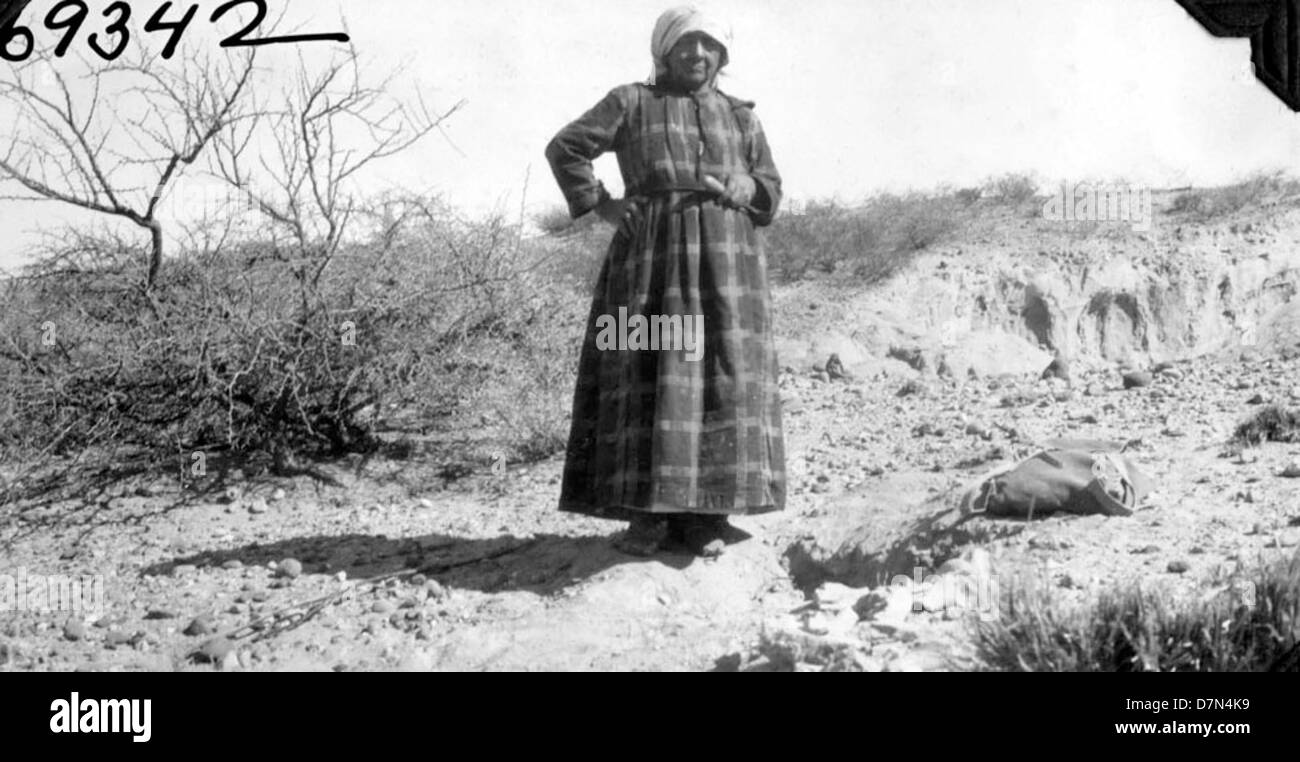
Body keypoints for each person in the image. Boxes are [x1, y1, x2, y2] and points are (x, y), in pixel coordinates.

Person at [545, 5, 786, 556]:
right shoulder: (632, 102)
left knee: (724, 377)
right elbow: (567, 147)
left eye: (707, 45)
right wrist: (601, 204)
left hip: (730, 265)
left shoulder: (743, 117)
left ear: (722, 54)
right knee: (649, 371)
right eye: (685, 44)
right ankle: (646, 519)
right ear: (664, 51)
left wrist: (748, 188)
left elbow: (770, 186)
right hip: (651, 260)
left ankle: (708, 516)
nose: (696, 55)